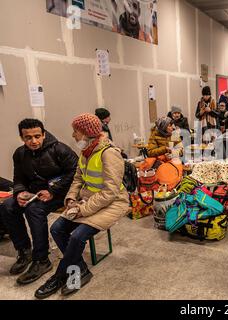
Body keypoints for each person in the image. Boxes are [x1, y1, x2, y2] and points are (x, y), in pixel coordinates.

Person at [34, 113, 130, 299]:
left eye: (75, 131)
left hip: (113, 203)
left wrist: (81, 210)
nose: (73, 135)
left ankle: (61, 275)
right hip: (89, 201)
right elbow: (78, 179)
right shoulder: (85, 152)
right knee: (57, 228)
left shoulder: (109, 153)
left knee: (78, 236)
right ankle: (81, 269)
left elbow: (110, 192)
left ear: (86, 133)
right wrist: (70, 199)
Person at [0, 119, 78, 285]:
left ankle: (42, 259)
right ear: (22, 138)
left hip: (60, 193)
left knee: (34, 209)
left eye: (37, 136)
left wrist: (53, 191)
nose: (33, 141)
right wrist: (20, 192)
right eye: (28, 137)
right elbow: (19, 178)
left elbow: (75, 173)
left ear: (44, 134)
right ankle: (24, 251)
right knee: (7, 206)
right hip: (35, 193)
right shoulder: (20, 154)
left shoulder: (60, 149)